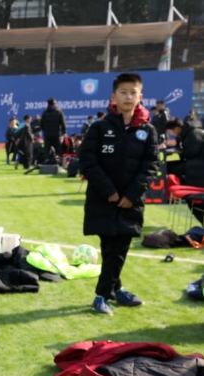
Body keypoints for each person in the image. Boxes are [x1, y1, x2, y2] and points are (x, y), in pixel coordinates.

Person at [79, 73, 158, 315]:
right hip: (103, 200)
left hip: (130, 203)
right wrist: (109, 191)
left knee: (119, 248)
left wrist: (131, 194)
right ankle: (107, 293)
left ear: (140, 97)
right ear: (114, 96)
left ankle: (110, 291)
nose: (128, 96)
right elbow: (87, 161)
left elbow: (151, 166)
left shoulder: (149, 130)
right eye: (123, 92)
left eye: (133, 92)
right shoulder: (99, 127)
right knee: (110, 249)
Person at [165, 117, 204, 223]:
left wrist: (179, 151)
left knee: (170, 167)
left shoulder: (194, 133)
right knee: (168, 166)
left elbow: (191, 152)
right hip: (194, 167)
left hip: (198, 169)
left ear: (177, 128)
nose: (172, 134)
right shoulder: (185, 134)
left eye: (171, 131)